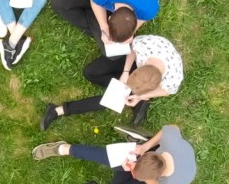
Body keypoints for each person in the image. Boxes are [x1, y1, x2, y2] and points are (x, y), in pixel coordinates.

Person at [47, 0, 159, 124]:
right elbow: (95, 1)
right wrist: (103, 28)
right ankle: (95, 22)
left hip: (117, 7)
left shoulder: (149, 8)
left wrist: (124, 37)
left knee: (114, 54)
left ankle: (93, 24)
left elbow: (133, 28)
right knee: (59, 4)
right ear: (111, 16)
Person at [41, 33, 183, 129]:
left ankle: (59, 110)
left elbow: (167, 91)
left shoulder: (173, 77)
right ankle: (135, 100)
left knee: (116, 98)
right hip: (132, 61)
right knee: (90, 73)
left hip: (143, 77)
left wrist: (140, 96)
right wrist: (126, 72)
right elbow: (132, 49)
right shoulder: (146, 45)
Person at [31, 124, 196, 184]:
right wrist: (144, 148)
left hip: (151, 176)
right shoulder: (171, 141)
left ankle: (124, 168)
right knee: (110, 157)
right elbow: (172, 127)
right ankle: (65, 148)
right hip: (150, 154)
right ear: (153, 153)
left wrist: (139, 175)